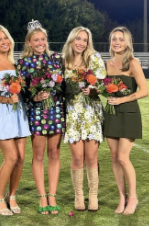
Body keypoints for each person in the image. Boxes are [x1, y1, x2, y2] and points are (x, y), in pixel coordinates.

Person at [17, 19, 65, 215]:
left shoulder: (56, 59)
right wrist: (35, 96)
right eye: (36, 40)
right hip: (37, 111)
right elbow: (21, 89)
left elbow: (61, 85)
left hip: (55, 110)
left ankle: (52, 195)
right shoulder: (23, 63)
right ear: (29, 42)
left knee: (54, 154)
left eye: (43, 39)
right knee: (38, 155)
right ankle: (42, 196)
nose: (40, 43)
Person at [0, 25, 31, 216]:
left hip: (19, 112)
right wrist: (4, 98)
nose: (4, 42)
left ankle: (12, 196)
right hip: (0, 113)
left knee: (20, 158)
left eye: (6, 38)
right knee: (10, 158)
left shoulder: (15, 64)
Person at [103, 26, 149, 215]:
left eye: (121, 39)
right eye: (114, 39)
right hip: (111, 113)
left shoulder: (133, 63)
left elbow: (144, 91)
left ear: (127, 42)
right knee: (114, 158)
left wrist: (122, 99)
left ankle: (133, 197)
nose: (117, 42)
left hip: (129, 113)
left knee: (123, 157)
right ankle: (122, 197)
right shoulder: (106, 64)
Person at [62, 26, 106, 212]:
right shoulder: (63, 61)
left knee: (91, 157)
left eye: (84, 40)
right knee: (77, 158)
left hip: (91, 112)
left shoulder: (94, 58)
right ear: (72, 39)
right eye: (78, 39)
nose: (81, 43)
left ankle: (93, 195)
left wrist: (94, 89)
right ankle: (79, 195)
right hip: (73, 113)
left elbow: (104, 83)